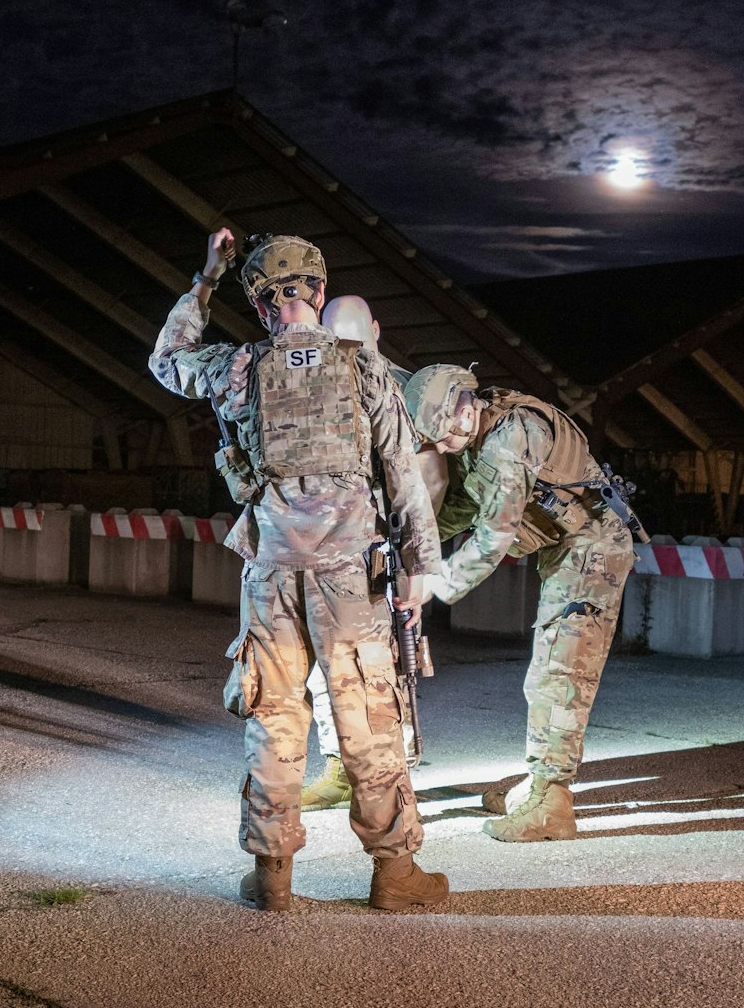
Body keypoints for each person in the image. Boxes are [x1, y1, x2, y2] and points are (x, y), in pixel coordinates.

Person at [149, 231, 448, 912]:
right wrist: (419, 568)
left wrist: (205, 278)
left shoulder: (238, 368)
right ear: (318, 288)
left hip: (273, 570)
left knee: (275, 715)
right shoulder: (363, 368)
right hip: (350, 577)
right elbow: (402, 467)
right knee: (369, 717)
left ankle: (273, 874)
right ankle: (395, 874)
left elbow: (165, 361)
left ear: (259, 305)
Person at [402, 363, 638, 842]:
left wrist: (432, 584)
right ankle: (539, 784)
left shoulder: (512, 439)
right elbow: (464, 508)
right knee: (552, 668)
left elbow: (493, 537)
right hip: (564, 546)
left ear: (464, 404)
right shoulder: (475, 440)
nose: (442, 444)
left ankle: (551, 801)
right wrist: (409, 546)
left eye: (443, 431)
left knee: (560, 670)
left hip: (593, 547)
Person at [296, 296, 443, 812]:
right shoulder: (321, 378)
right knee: (325, 666)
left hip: (383, 556)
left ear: (377, 330)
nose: (348, 350)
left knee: (383, 673)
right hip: (330, 555)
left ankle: (391, 781)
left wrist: (413, 565)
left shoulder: (402, 390)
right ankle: (340, 768)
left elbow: (427, 480)